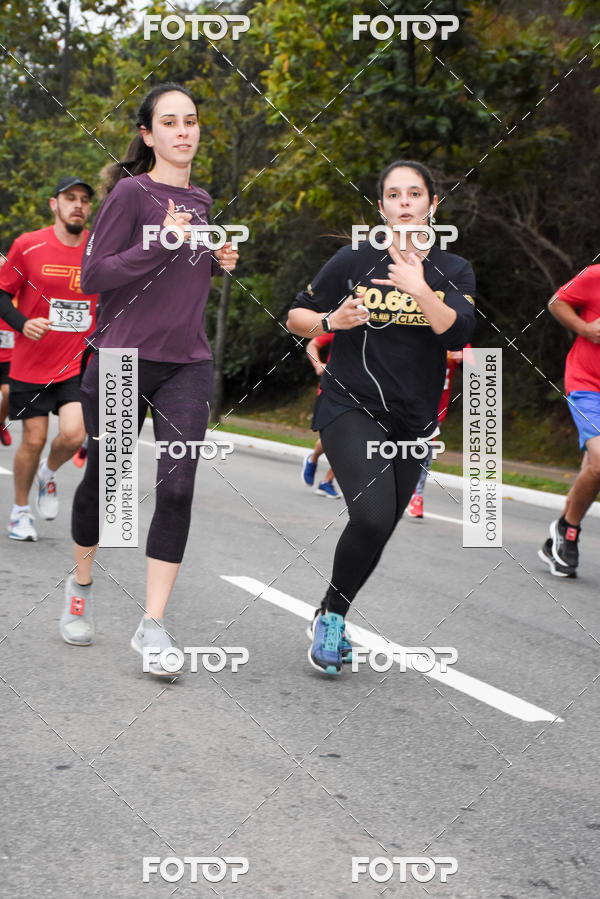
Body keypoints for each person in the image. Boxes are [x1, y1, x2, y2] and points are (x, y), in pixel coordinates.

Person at [65, 82, 239, 676]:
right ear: (148, 134)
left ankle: (153, 625)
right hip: (119, 360)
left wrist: (214, 260)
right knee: (106, 489)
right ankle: (82, 584)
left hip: (186, 362)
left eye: (191, 120)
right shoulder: (131, 195)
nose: (183, 131)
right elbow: (94, 276)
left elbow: (179, 286)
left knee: (178, 488)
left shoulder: (203, 201)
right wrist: (162, 243)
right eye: (170, 122)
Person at [287, 160, 475, 675]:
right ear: (382, 207)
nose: (406, 203)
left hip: (413, 422)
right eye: (394, 195)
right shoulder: (354, 258)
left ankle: (331, 611)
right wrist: (330, 320)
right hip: (351, 404)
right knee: (370, 515)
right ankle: (330, 625)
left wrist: (417, 288)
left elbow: (456, 334)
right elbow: (295, 315)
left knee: (381, 526)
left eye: (416, 193)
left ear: (433, 205)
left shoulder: (453, 270)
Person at [0, 177, 97, 541]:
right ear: (54, 204)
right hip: (30, 363)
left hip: (76, 362)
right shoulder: (28, 245)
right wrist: (23, 324)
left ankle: (49, 473)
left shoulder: (98, 248)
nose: (78, 205)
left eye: (85, 200)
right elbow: (1, 294)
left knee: (74, 433)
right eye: (70, 198)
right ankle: (20, 511)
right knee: (34, 438)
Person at [538, 265, 600, 577]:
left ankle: (558, 539)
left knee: (592, 469)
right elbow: (556, 302)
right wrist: (586, 329)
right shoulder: (595, 276)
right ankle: (568, 529)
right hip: (588, 384)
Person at [406, 347, 467, 518]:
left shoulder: (457, 339)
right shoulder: (418, 331)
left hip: (435, 409)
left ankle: (416, 497)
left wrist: (465, 357)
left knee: (425, 450)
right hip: (406, 402)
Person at [301, 332, 340, 498]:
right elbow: (312, 345)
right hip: (332, 391)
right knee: (331, 438)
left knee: (352, 444)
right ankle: (313, 458)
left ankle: (327, 482)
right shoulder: (344, 326)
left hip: (364, 395)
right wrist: (318, 365)